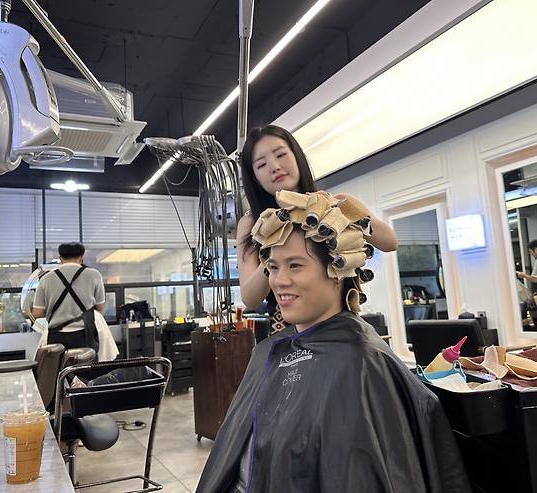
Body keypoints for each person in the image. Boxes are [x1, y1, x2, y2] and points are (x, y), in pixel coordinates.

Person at [197, 191, 470, 493]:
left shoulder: (362, 363)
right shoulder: (267, 352)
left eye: (296, 265)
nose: (279, 281)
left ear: (337, 270)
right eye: (273, 267)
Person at [237, 124, 397, 332]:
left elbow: (390, 242)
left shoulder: (337, 204)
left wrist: (339, 210)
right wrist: (272, 246)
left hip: (342, 327)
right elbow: (250, 298)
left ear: (296, 156)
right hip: (288, 331)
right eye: (261, 165)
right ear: (255, 179)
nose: (274, 166)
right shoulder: (251, 224)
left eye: (281, 154)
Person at [32, 242, 105, 351]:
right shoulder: (94, 275)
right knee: (83, 367)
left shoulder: (46, 278)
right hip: (84, 335)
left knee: (58, 367)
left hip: (56, 336)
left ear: (60, 258)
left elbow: (37, 313)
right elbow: (99, 308)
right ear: (81, 258)